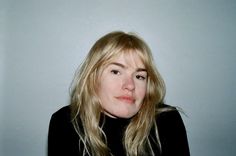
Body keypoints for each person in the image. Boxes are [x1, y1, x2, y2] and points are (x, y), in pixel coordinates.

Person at [48, 31, 190, 156]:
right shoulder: (65, 123)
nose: (130, 86)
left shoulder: (168, 121)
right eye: (116, 72)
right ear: (92, 78)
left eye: (139, 76)